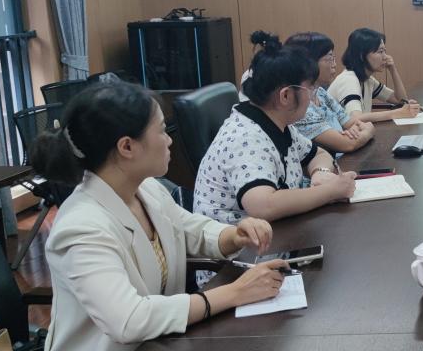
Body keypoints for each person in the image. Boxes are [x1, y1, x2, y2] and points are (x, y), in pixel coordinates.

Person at [32, 82, 289, 351]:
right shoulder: (81, 227)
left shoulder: (146, 189)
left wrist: (234, 235)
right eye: (162, 130)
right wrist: (235, 293)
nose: (169, 140)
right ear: (127, 147)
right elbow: (129, 320)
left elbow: (188, 229)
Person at [194, 31, 357, 227]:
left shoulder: (278, 123)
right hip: (242, 242)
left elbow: (318, 154)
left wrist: (320, 173)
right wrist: (331, 191)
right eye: (310, 89)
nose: (311, 97)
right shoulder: (246, 137)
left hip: (279, 231)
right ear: (285, 96)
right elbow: (264, 206)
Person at [284, 32, 375, 153]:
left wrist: (355, 133)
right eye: (329, 59)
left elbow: (350, 123)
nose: (335, 65)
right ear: (309, 62)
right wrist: (368, 131)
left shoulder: (320, 92)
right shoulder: (299, 104)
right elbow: (347, 144)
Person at [328, 28, 421, 123]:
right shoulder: (349, 80)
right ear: (361, 55)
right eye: (380, 52)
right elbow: (355, 118)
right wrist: (397, 113)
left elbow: (400, 100)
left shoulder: (367, 80)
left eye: (384, 51)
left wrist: (393, 70)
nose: (385, 57)